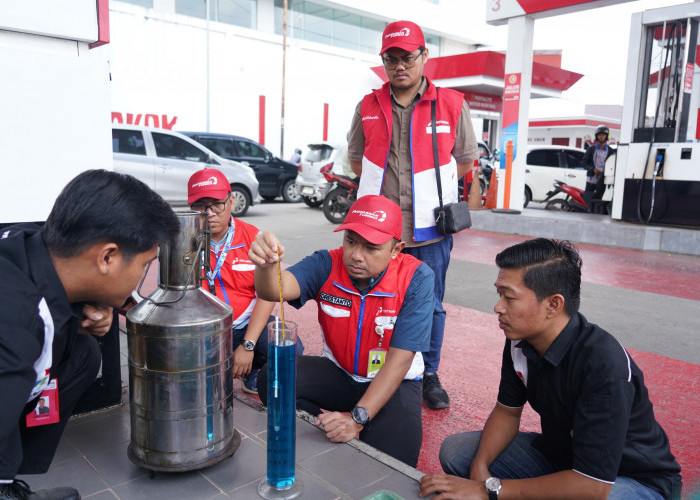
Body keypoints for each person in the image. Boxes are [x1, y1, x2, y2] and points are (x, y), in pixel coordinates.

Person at [419, 238, 682, 500]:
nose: (498, 307)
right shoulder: (520, 341)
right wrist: (480, 468)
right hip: (563, 457)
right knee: (459, 453)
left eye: (509, 297)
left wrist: (489, 489)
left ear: (554, 305)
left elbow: (593, 487)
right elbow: (507, 413)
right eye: (499, 294)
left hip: (627, 480)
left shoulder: (603, 365)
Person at [0, 169, 179, 500]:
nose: (142, 277)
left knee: (83, 352)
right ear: (107, 256)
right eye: (144, 265)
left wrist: (82, 305)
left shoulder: (30, 242)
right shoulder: (15, 328)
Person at [347, 20, 479, 410]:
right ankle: (373, 367)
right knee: (374, 299)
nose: (399, 65)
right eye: (391, 58)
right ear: (384, 61)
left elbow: (466, 157)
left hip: (431, 229)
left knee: (431, 303)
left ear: (424, 56)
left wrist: (427, 193)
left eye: (408, 56)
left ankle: (428, 373)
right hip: (379, 232)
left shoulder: (452, 103)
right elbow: (357, 158)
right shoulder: (367, 106)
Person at [249, 195, 433, 467]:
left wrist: (356, 419)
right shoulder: (326, 263)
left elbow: (400, 360)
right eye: (350, 241)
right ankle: (323, 429)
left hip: (394, 382)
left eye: (371, 247)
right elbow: (274, 289)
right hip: (341, 373)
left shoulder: (417, 277)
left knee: (394, 464)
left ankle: (362, 422)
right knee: (273, 378)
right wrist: (265, 265)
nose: (356, 255)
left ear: (396, 249)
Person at [188, 168, 285, 395]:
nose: (209, 213)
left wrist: (248, 346)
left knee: (287, 346)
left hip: (244, 326)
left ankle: (254, 370)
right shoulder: (184, 241)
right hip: (203, 332)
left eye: (216, 204)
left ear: (231, 201)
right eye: (201, 206)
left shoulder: (254, 237)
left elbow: (267, 295)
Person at [582, 124, 614, 207]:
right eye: (599, 135)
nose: (601, 137)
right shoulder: (591, 149)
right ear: (596, 136)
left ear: (606, 136)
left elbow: (613, 166)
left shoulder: (611, 151)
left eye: (603, 135)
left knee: (598, 201)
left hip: (602, 181)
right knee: (588, 202)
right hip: (591, 180)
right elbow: (583, 163)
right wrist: (592, 169)